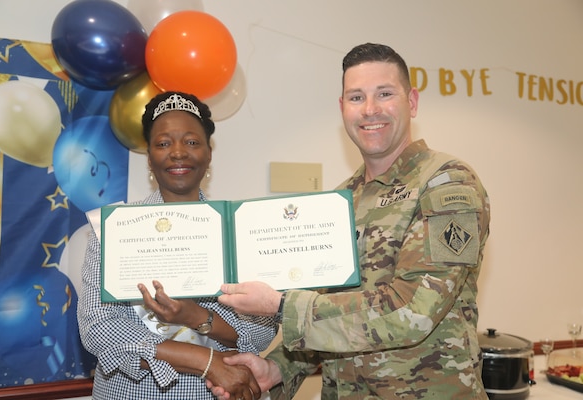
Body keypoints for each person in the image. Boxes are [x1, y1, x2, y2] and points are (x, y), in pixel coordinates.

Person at [209, 43, 491, 399]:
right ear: (342, 109)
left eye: (384, 94)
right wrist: (278, 367)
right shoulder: (340, 200)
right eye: (356, 97)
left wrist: (281, 306)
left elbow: (414, 309)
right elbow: (331, 308)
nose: (370, 110)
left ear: (413, 102)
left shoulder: (446, 182)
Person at [77, 91, 278, 400]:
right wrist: (205, 361)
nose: (179, 153)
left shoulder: (239, 230)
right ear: (149, 156)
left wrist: (196, 317)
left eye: (192, 142)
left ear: (209, 153)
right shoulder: (114, 230)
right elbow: (100, 330)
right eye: (163, 143)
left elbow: (258, 332)